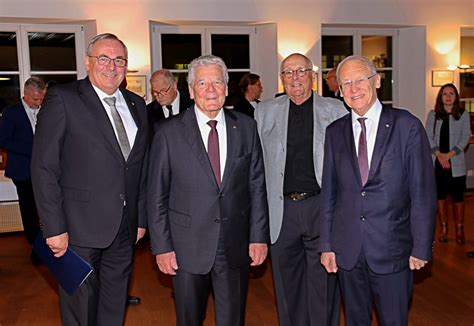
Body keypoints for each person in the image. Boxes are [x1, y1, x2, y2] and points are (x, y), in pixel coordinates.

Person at [31, 33, 149, 325]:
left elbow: (140, 168)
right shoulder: (64, 98)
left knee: (113, 305)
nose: (111, 66)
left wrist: (141, 218)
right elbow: (44, 166)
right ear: (87, 62)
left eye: (119, 60)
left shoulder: (137, 105)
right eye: (103, 59)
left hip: (124, 229)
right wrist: (53, 228)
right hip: (77, 230)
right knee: (80, 310)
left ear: (126, 66)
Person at [147, 54, 269, 326]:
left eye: (217, 82)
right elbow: (156, 195)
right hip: (186, 247)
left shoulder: (246, 127)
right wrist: (162, 247)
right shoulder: (168, 133)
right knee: (189, 319)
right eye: (203, 83)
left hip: (235, 244)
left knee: (232, 319)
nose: (211, 90)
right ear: (191, 91)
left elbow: (256, 186)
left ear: (227, 88)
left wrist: (258, 237)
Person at [319, 55, 436, 325]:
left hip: (392, 249)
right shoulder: (335, 132)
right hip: (348, 251)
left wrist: (421, 247)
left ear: (377, 81)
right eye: (346, 82)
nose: (353, 89)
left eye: (360, 80)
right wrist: (327, 245)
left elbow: (423, 192)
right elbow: (330, 194)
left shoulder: (406, 126)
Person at [255, 53, 347, 326]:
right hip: (281, 210)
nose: (295, 78)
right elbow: (256, 164)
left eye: (300, 71)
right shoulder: (264, 111)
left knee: (324, 285)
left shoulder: (336, 110)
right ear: (281, 79)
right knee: (287, 286)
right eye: (288, 73)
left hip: (321, 207)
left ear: (312, 76)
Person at [0, 77, 46, 262]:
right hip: (22, 171)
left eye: (41, 98)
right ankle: (37, 248)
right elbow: (3, 140)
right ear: (25, 95)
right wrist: (32, 150)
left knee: (45, 209)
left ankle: (49, 245)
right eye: (36, 99)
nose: (39, 102)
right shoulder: (11, 113)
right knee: (29, 212)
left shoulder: (46, 110)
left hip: (44, 171)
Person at [425, 83, 470, 245]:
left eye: (451, 93)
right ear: (440, 97)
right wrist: (440, 155)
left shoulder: (463, 115)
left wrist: (449, 155)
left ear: (456, 96)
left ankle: (459, 228)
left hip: (456, 163)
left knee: (458, 197)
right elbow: (428, 136)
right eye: (445, 94)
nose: (448, 96)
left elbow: (465, 137)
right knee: (440, 196)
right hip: (437, 163)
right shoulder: (433, 115)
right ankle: (443, 228)